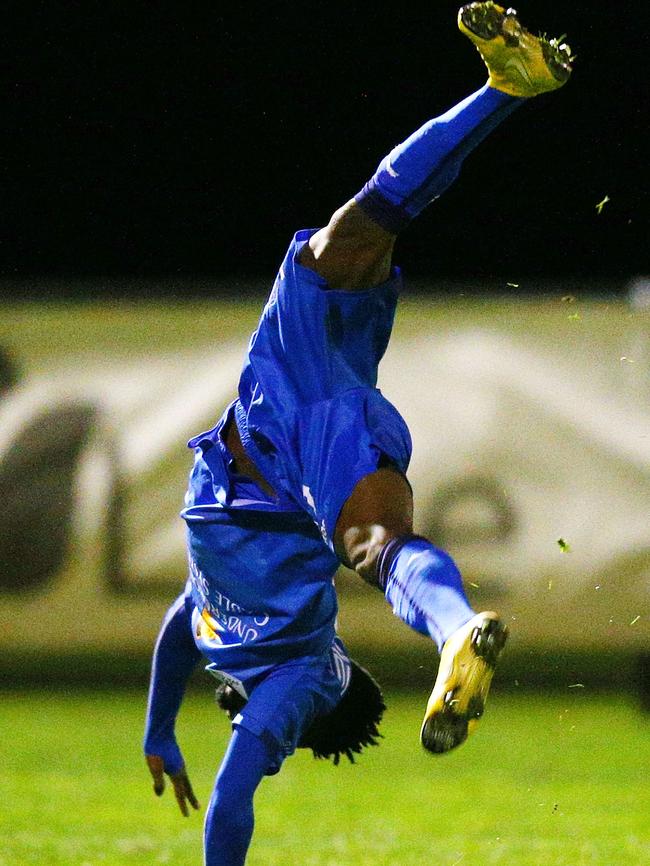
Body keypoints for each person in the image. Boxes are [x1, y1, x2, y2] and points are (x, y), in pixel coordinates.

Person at [143, 4, 573, 864]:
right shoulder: (299, 676)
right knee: (377, 544)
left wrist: (160, 734)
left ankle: (503, 89)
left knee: (354, 234)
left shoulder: (228, 638)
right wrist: (170, 731)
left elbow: (176, 630)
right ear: (317, 709)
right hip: (296, 448)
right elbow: (228, 773)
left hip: (279, 410)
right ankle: (453, 630)